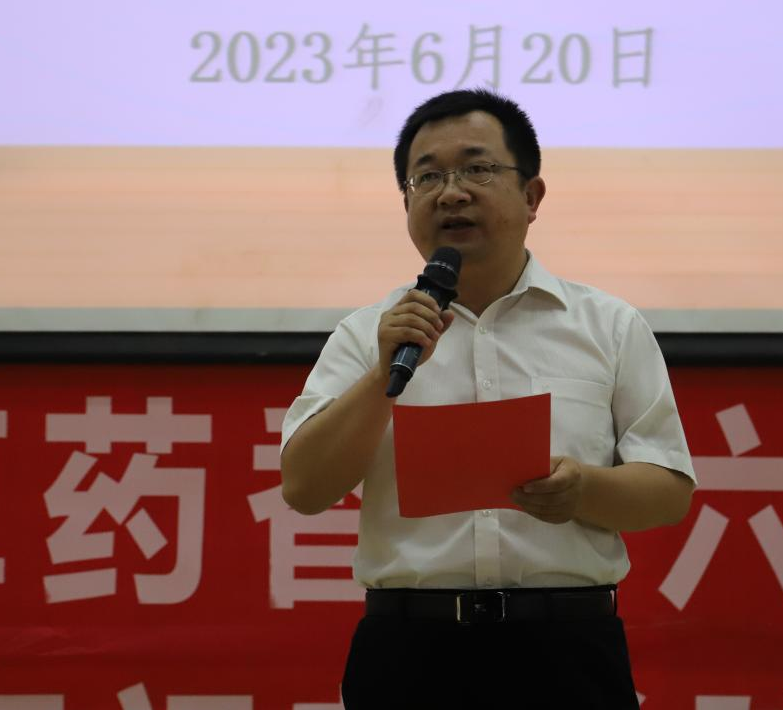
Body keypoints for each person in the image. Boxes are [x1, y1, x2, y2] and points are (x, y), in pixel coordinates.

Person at [280, 89, 696, 709]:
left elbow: (668, 491)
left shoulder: (608, 326)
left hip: (567, 652)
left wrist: (583, 490)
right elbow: (304, 488)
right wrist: (380, 377)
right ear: (407, 204)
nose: (451, 193)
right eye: (427, 177)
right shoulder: (368, 334)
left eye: (477, 169)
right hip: (410, 653)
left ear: (532, 196)